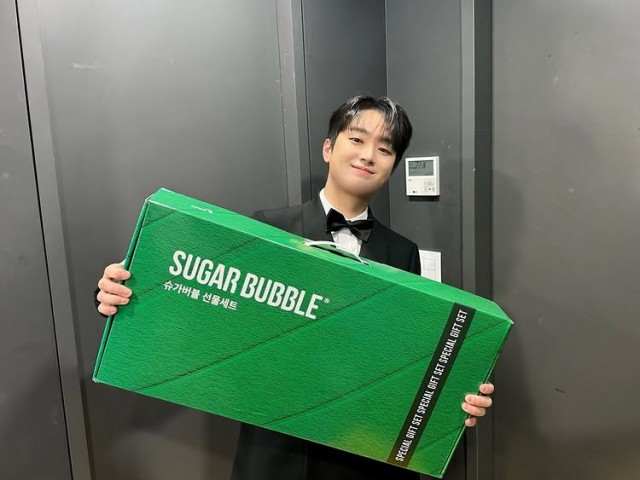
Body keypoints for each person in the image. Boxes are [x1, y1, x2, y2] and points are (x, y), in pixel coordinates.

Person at [96, 95, 494, 479]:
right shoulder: (268, 227)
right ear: (328, 148)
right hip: (279, 451)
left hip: (363, 454)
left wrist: (456, 396)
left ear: (393, 165)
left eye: (385, 148)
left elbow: (411, 355)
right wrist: (129, 293)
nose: (368, 155)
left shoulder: (403, 251)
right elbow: (207, 313)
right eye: (357, 139)